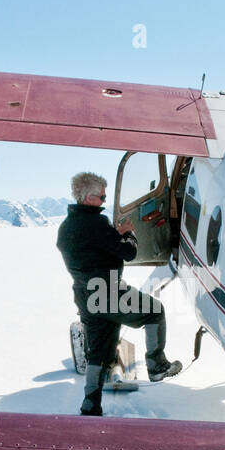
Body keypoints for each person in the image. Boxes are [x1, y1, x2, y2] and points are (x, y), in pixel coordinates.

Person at [56, 171, 181, 416]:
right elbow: (128, 253)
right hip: (109, 292)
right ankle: (157, 365)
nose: (104, 201)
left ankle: (90, 404)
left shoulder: (66, 227)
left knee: (98, 352)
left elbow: (94, 249)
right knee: (154, 312)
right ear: (88, 197)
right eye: (101, 197)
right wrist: (128, 234)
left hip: (85, 296)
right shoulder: (97, 224)